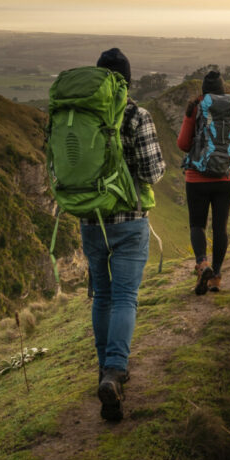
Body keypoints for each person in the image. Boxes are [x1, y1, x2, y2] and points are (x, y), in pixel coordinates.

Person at [84, 48, 165, 422]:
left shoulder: (82, 116)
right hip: (129, 221)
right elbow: (151, 173)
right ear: (128, 81)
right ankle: (115, 370)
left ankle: (104, 371)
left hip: (90, 220)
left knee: (102, 295)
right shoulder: (136, 115)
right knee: (125, 297)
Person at [177, 70, 230, 295]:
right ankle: (216, 277)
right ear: (223, 89)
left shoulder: (196, 107)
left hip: (197, 177)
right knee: (221, 227)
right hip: (227, 178)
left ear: (204, 90)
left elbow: (182, 144)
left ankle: (202, 264)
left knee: (197, 224)